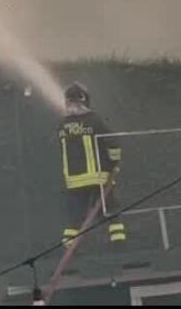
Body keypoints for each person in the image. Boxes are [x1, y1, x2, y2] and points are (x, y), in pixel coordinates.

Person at [58, 81, 126, 247]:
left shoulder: (62, 124)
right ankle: (119, 243)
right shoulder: (94, 120)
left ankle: (68, 246)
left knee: (75, 216)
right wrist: (113, 163)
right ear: (85, 100)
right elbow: (113, 143)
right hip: (98, 178)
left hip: (73, 181)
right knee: (110, 208)